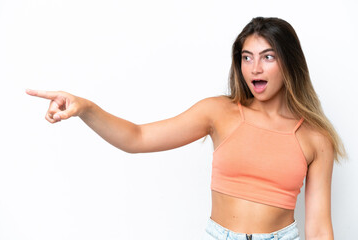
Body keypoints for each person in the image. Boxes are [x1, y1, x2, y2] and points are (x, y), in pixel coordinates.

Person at [26, 17, 347, 240]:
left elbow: (318, 230)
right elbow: (137, 138)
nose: (255, 68)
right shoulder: (219, 112)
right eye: (247, 57)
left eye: (267, 57)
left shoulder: (315, 138)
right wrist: (85, 108)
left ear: (289, 63)